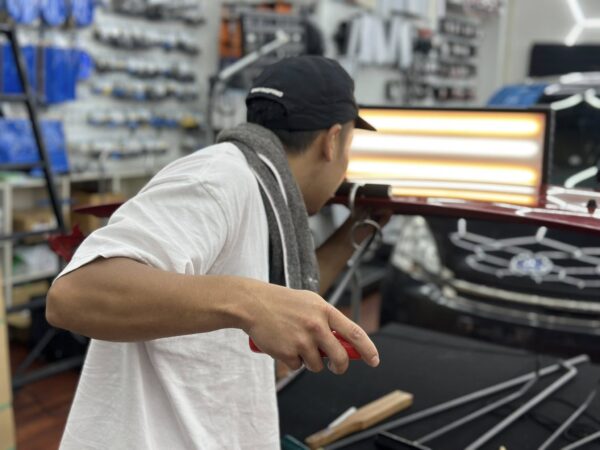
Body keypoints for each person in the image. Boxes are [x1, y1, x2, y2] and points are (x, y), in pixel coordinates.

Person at [47, 55, 384, 449]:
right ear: (332, 141)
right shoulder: (217, 179)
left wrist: (356, 230)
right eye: (349, 147)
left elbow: (284, 299)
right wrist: (250, 302)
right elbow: (75, 294)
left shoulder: (264, 190)